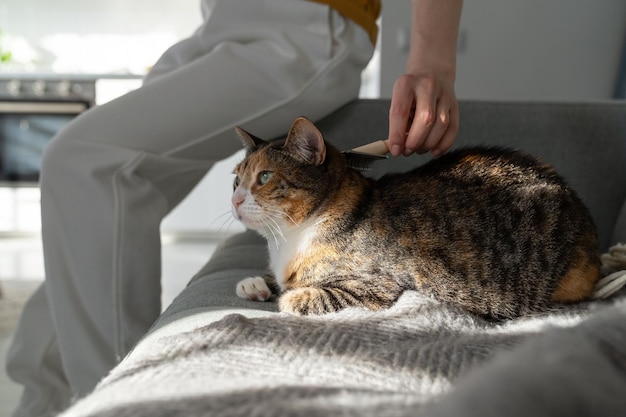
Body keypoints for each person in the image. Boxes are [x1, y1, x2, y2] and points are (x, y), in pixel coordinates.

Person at [5, 0, 462, 415]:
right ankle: (38, 398)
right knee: (81, 198)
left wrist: (432, 59)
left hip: (303, 24)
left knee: (82, 159)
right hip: (220, 22)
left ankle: (120, 402)